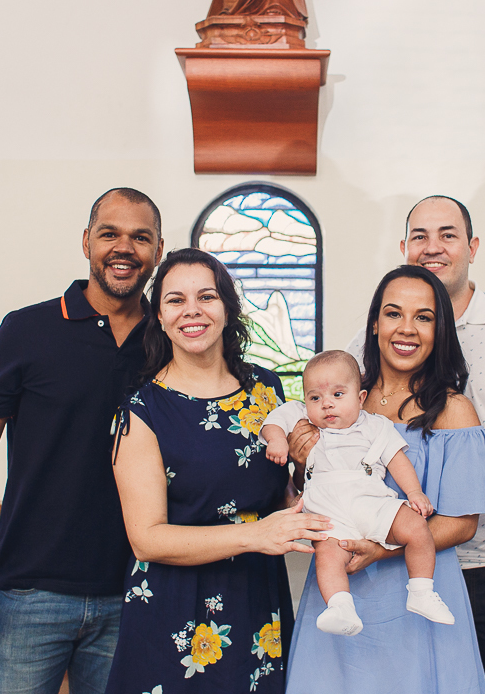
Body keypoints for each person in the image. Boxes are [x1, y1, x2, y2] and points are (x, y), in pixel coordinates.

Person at [0, 188, 164, 694]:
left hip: (136, 589)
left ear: (157, 251)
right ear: (87, 242)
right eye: (109, 234)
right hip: (30, 590)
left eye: (140, 237)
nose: (124, 248)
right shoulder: (27, 330)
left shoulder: (169, 339)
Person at [335, 195, 485, 694]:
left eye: (448, 235)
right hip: (403, 563)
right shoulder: (366, 346)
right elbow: (325, 413)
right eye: (420, 236)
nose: (433, 247)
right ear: (404, 248)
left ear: (472, 247)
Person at [103, 248, 331, 694]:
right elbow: (146, 538)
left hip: (257, 599)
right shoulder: (141, 411)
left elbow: (280, 493)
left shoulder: (267, 389)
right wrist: (256, 535)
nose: (192, 310)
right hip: (175, 609)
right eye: (176, 300)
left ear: (227, 307)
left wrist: (304, 471)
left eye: (206, 296)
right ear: (160, 316)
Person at [286, 265, 485, 694]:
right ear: (375, 324)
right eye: (393, 313)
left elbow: (462, 524)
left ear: (439, 330)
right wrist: (300, 463)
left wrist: (380, 550)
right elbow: (309, 495)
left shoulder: (453, 411)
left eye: (423, 317)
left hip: (416, 593)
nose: (406, 328)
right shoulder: (333, 399)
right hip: (338, 586)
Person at [260, 350, 454, 636]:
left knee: (416, 528)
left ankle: (421, 590)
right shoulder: (303, 417)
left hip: (371, 503)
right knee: (327, 555)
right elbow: (273, 422)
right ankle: (340, 606)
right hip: (329, 512)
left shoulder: (376, 425)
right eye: (315, 398)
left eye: (338, 395)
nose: (326, 404)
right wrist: (277, 440)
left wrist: (414, 492)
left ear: (360, 398)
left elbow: (396, 460)